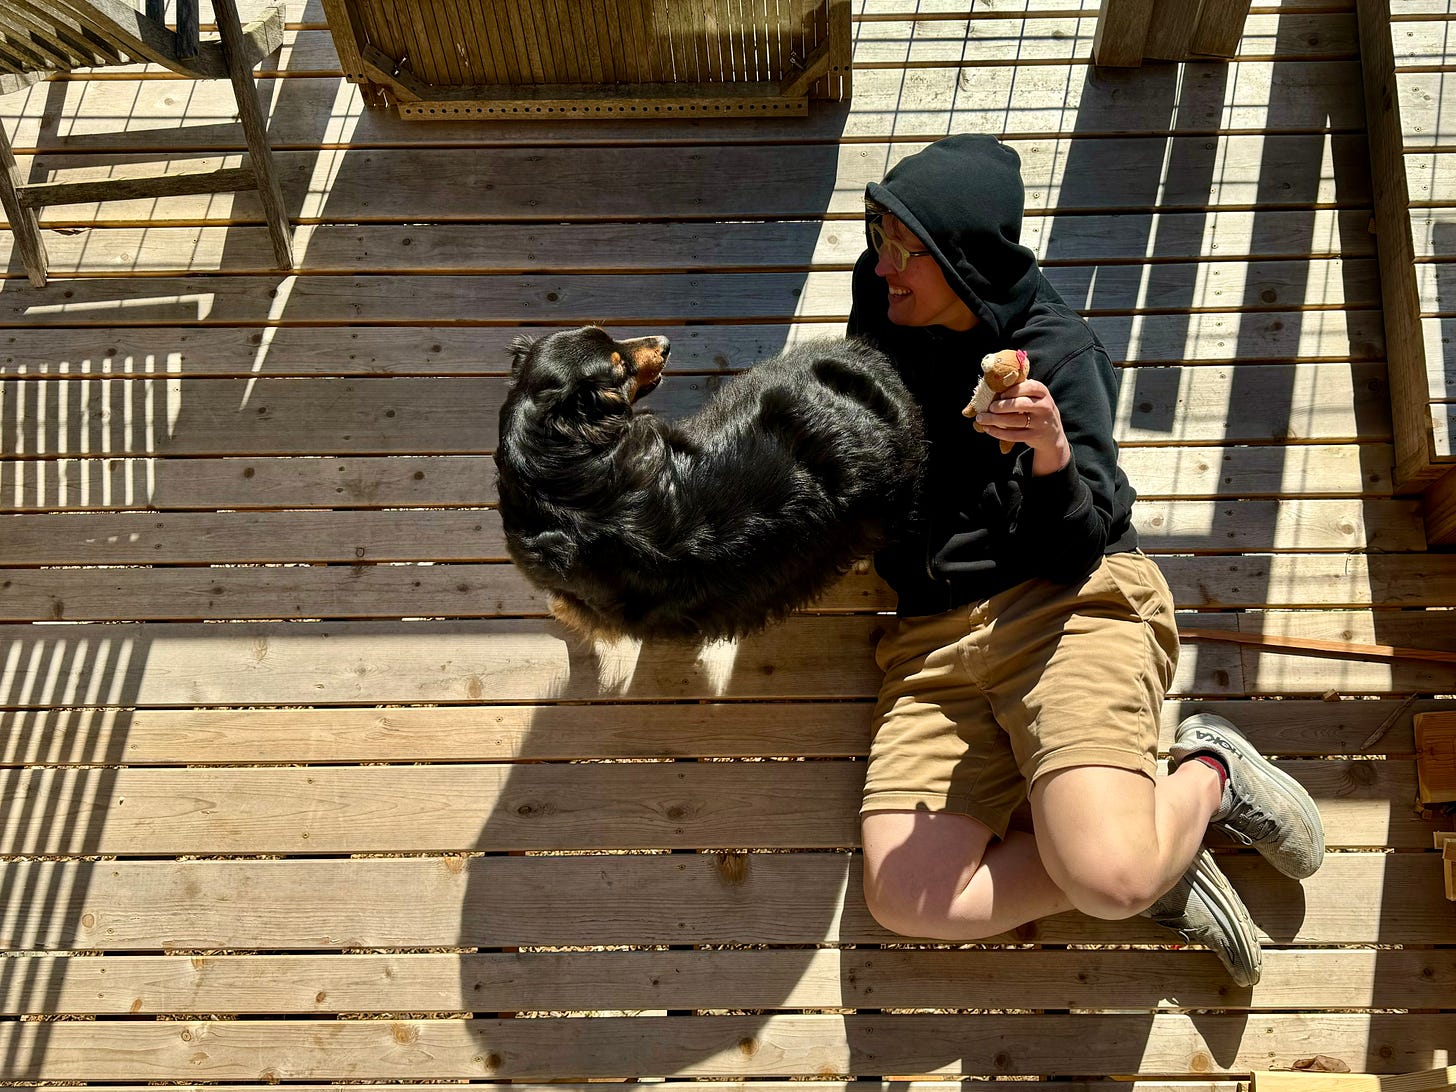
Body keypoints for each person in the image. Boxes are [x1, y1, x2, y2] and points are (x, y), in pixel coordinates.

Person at [846, 134, 1324, 987]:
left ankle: (1210, 770)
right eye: (878, 237)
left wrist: (1051, 455)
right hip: (930, 641)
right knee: (909, 899)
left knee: (1112, 877)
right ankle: (1142, 853)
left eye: (903, 251)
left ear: (962, 263)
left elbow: (1076, 550)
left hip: (1064, 606)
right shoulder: (886, 302)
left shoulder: (1060, 360)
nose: (882, 267)